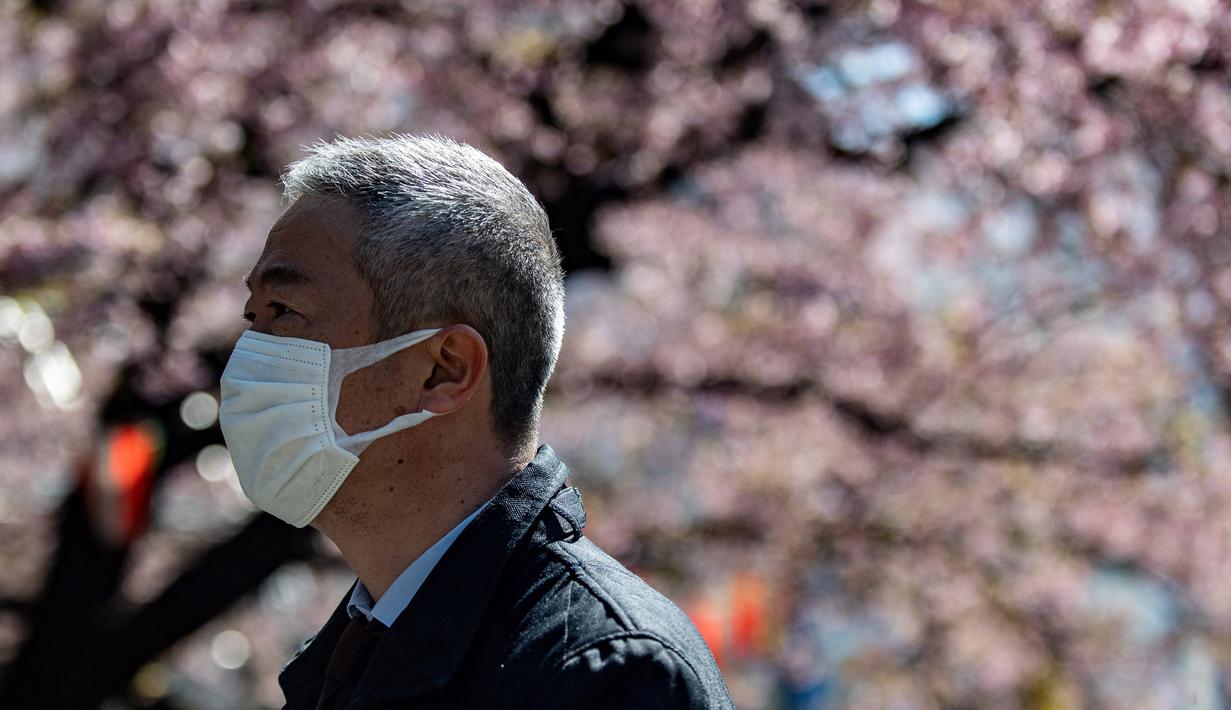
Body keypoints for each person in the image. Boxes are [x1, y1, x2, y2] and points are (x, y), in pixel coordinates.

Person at [218, 134, 735, 709]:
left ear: (444, 371)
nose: (247, 354)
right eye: (251, 315)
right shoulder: (352, 656)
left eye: (283, 312)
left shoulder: (605, 674)